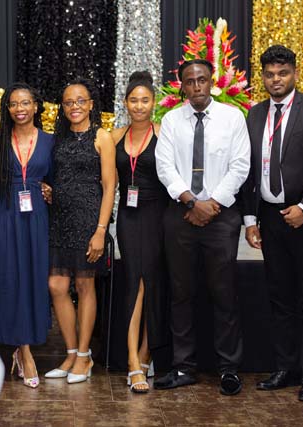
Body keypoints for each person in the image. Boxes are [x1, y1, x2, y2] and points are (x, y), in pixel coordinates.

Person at [242, 45, 303, 402]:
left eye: (282, 73)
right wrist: (251, 219)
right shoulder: (254, 114)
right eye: (270, 74)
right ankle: (285, 368)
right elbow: (249, 170)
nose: (276, 80)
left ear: (295, 74)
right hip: (271, 218)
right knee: (279, 297)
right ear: (263, 76)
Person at [154, 59, 250, 396]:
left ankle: (228, 368)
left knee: (224, 292)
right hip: (181, 214)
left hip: (220, 217)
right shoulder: (170, 120)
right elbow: (165, 166)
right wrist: (191, 201)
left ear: (212, 82)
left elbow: (240, 166)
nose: (196, 86)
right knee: (181, 293)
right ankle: (183, 367)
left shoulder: (232, 118)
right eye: (190, 81)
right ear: (181, 85)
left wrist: (212, 204)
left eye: (202, 80)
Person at [46, 78, 115, 384]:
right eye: (68, 102)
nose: (74, 106)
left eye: (80, 101)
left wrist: (100, 230)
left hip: (89, 221)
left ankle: (84, 356)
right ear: (63, 107)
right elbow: (53, 175)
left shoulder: (102, 137)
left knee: (85, 286)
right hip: (59, 221)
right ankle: (71, 352)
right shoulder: (57, 138)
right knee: (57, 286)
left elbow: (109, 186)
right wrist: (47, 188)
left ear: (90, 104)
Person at [0, 82, 53, 388]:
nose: (19, 109)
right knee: (10, 280)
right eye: (13, 104)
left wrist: (51, 190)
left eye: (25, 103)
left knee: (33, 280)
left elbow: (59, 180)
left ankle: (23, 345)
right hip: (5, 216)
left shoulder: (50, 141)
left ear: (36, 106)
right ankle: (24, 351)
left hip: (36, 217)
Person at [110, 71, 169, 393]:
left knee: (154, 284)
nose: (139, 106)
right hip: (128, 218)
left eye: (145, 100)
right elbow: (103, 180)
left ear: (153, 103)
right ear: (125, 103)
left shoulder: (164, 134)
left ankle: (146, 355)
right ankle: (133, 359)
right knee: (135, 283)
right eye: (134, 100)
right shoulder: (114, 137)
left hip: (159, 215)